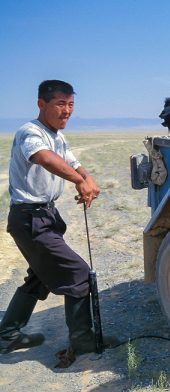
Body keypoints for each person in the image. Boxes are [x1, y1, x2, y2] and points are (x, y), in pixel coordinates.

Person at [0, 80, 111, 356]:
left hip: (45, 215)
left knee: (39, 276)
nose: (67, 111)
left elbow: (72, 161)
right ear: (42, 104)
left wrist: (88, 177)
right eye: (60, 104)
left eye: (71, 104)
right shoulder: (31, 132)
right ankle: (83, 341)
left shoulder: (57, 136)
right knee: (78, 273)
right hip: (30, 219)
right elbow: (44, 158)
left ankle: (7, 334)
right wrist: (78, 181)